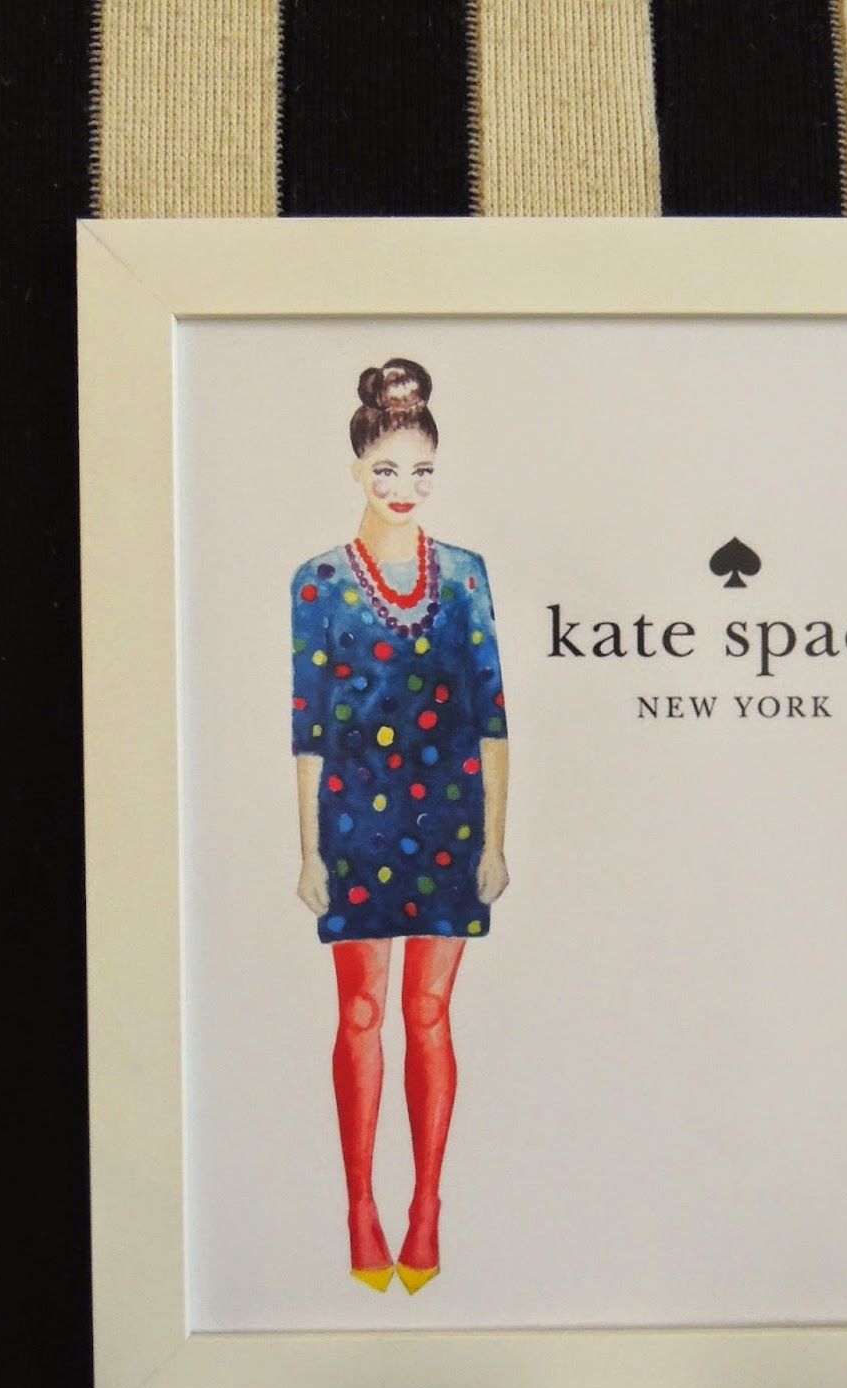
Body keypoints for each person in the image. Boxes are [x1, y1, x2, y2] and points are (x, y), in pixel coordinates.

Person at [289, 356, 510, 1294]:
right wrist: (309, 851)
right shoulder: (317, 582)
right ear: (357, 471)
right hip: (354, 820)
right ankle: (359, 1206)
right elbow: (308, 727)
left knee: (428, 1012)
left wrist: (495, 840)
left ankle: (425, 1207)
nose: (403, 487)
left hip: (449, 814)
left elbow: (492, 716)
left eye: (420, 470)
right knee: (362, 1012)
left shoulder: (464, 576)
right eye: (386, 470)